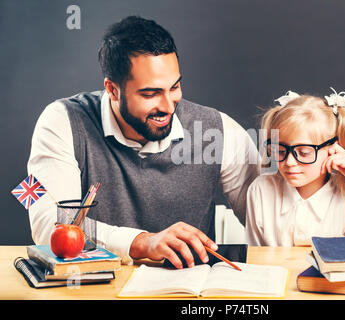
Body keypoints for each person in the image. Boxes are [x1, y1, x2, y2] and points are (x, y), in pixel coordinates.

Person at [27, 16, 260, 268]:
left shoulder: (219, 128)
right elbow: (48, 228)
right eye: (151, 93)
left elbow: (268, 216)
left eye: (175, 87)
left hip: (188, 294)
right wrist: (141, 242)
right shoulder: (59, 121)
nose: (169, 105)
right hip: (96, 291)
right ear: (112, 89)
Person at [245, 89, 345, 248]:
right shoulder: (261, 190)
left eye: (304, 153)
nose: (289, 162)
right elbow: (255, 257)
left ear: (333, 149)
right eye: (280, 151)